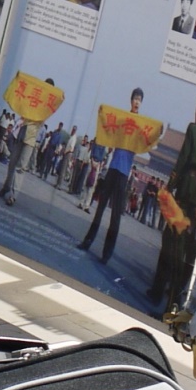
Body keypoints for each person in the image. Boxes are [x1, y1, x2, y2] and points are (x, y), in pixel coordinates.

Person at [149, 98, 196, 313]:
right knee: (173, 244)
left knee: (171, 245)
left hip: (184, 193)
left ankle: (163, 299)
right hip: (194, 197)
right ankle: (158, 292)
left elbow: (183, 158)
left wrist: (170, 185)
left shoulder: (192, 129)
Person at [79, 88, 146, 263]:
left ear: (141, 103)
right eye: (135, 98)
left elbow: (146, 141)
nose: (137, 102)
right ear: (131, 100)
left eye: (140, 99)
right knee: (100, 208)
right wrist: (102, 114)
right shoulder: (122, 119)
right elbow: (109, 130)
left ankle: (106, 254)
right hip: (113, 167)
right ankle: (87, 241)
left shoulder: (140, 126)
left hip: (124, 173)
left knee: (115, 215)